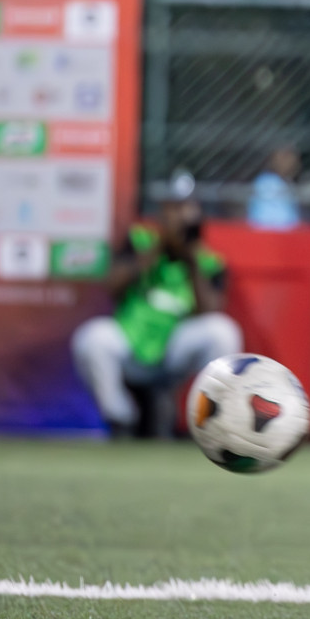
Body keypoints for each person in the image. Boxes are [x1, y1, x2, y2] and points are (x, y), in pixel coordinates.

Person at [72, 170, 242, 437]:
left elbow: (209, 310)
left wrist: (190, 259)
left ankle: (208, 420)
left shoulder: (209, 261)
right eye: (172, 208)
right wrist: (160, 246)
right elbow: (112, 288)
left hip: (174, 351)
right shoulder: (140, 241)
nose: (179, 216)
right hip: (132, 344)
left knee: (223, 331)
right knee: (91, 338)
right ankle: (120, 419)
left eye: (185, 208)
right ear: (162, 212)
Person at [247, 146, 303, 231]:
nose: (292, 162)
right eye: (285, 157)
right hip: (270, 235)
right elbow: (278, 220)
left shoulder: (287, 182)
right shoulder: (266, 182)